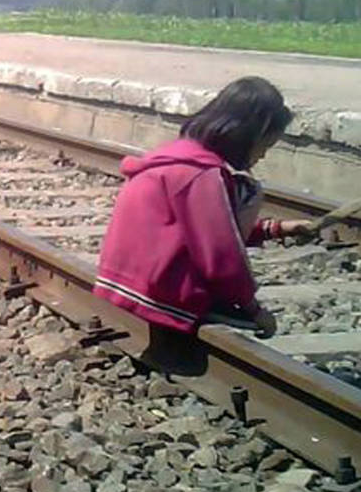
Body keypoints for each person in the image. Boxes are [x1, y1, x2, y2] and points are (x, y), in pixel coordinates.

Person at [94, 77, 315, 339]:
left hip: (126, 278)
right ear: (247, 136)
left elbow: (199, 230)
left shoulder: (177, 155)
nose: (264, 155)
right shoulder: (202, 175)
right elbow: (220, 253)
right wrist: (252, 308)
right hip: (161, 290)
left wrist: (274, 229)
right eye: (265, 146)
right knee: (245, 315)